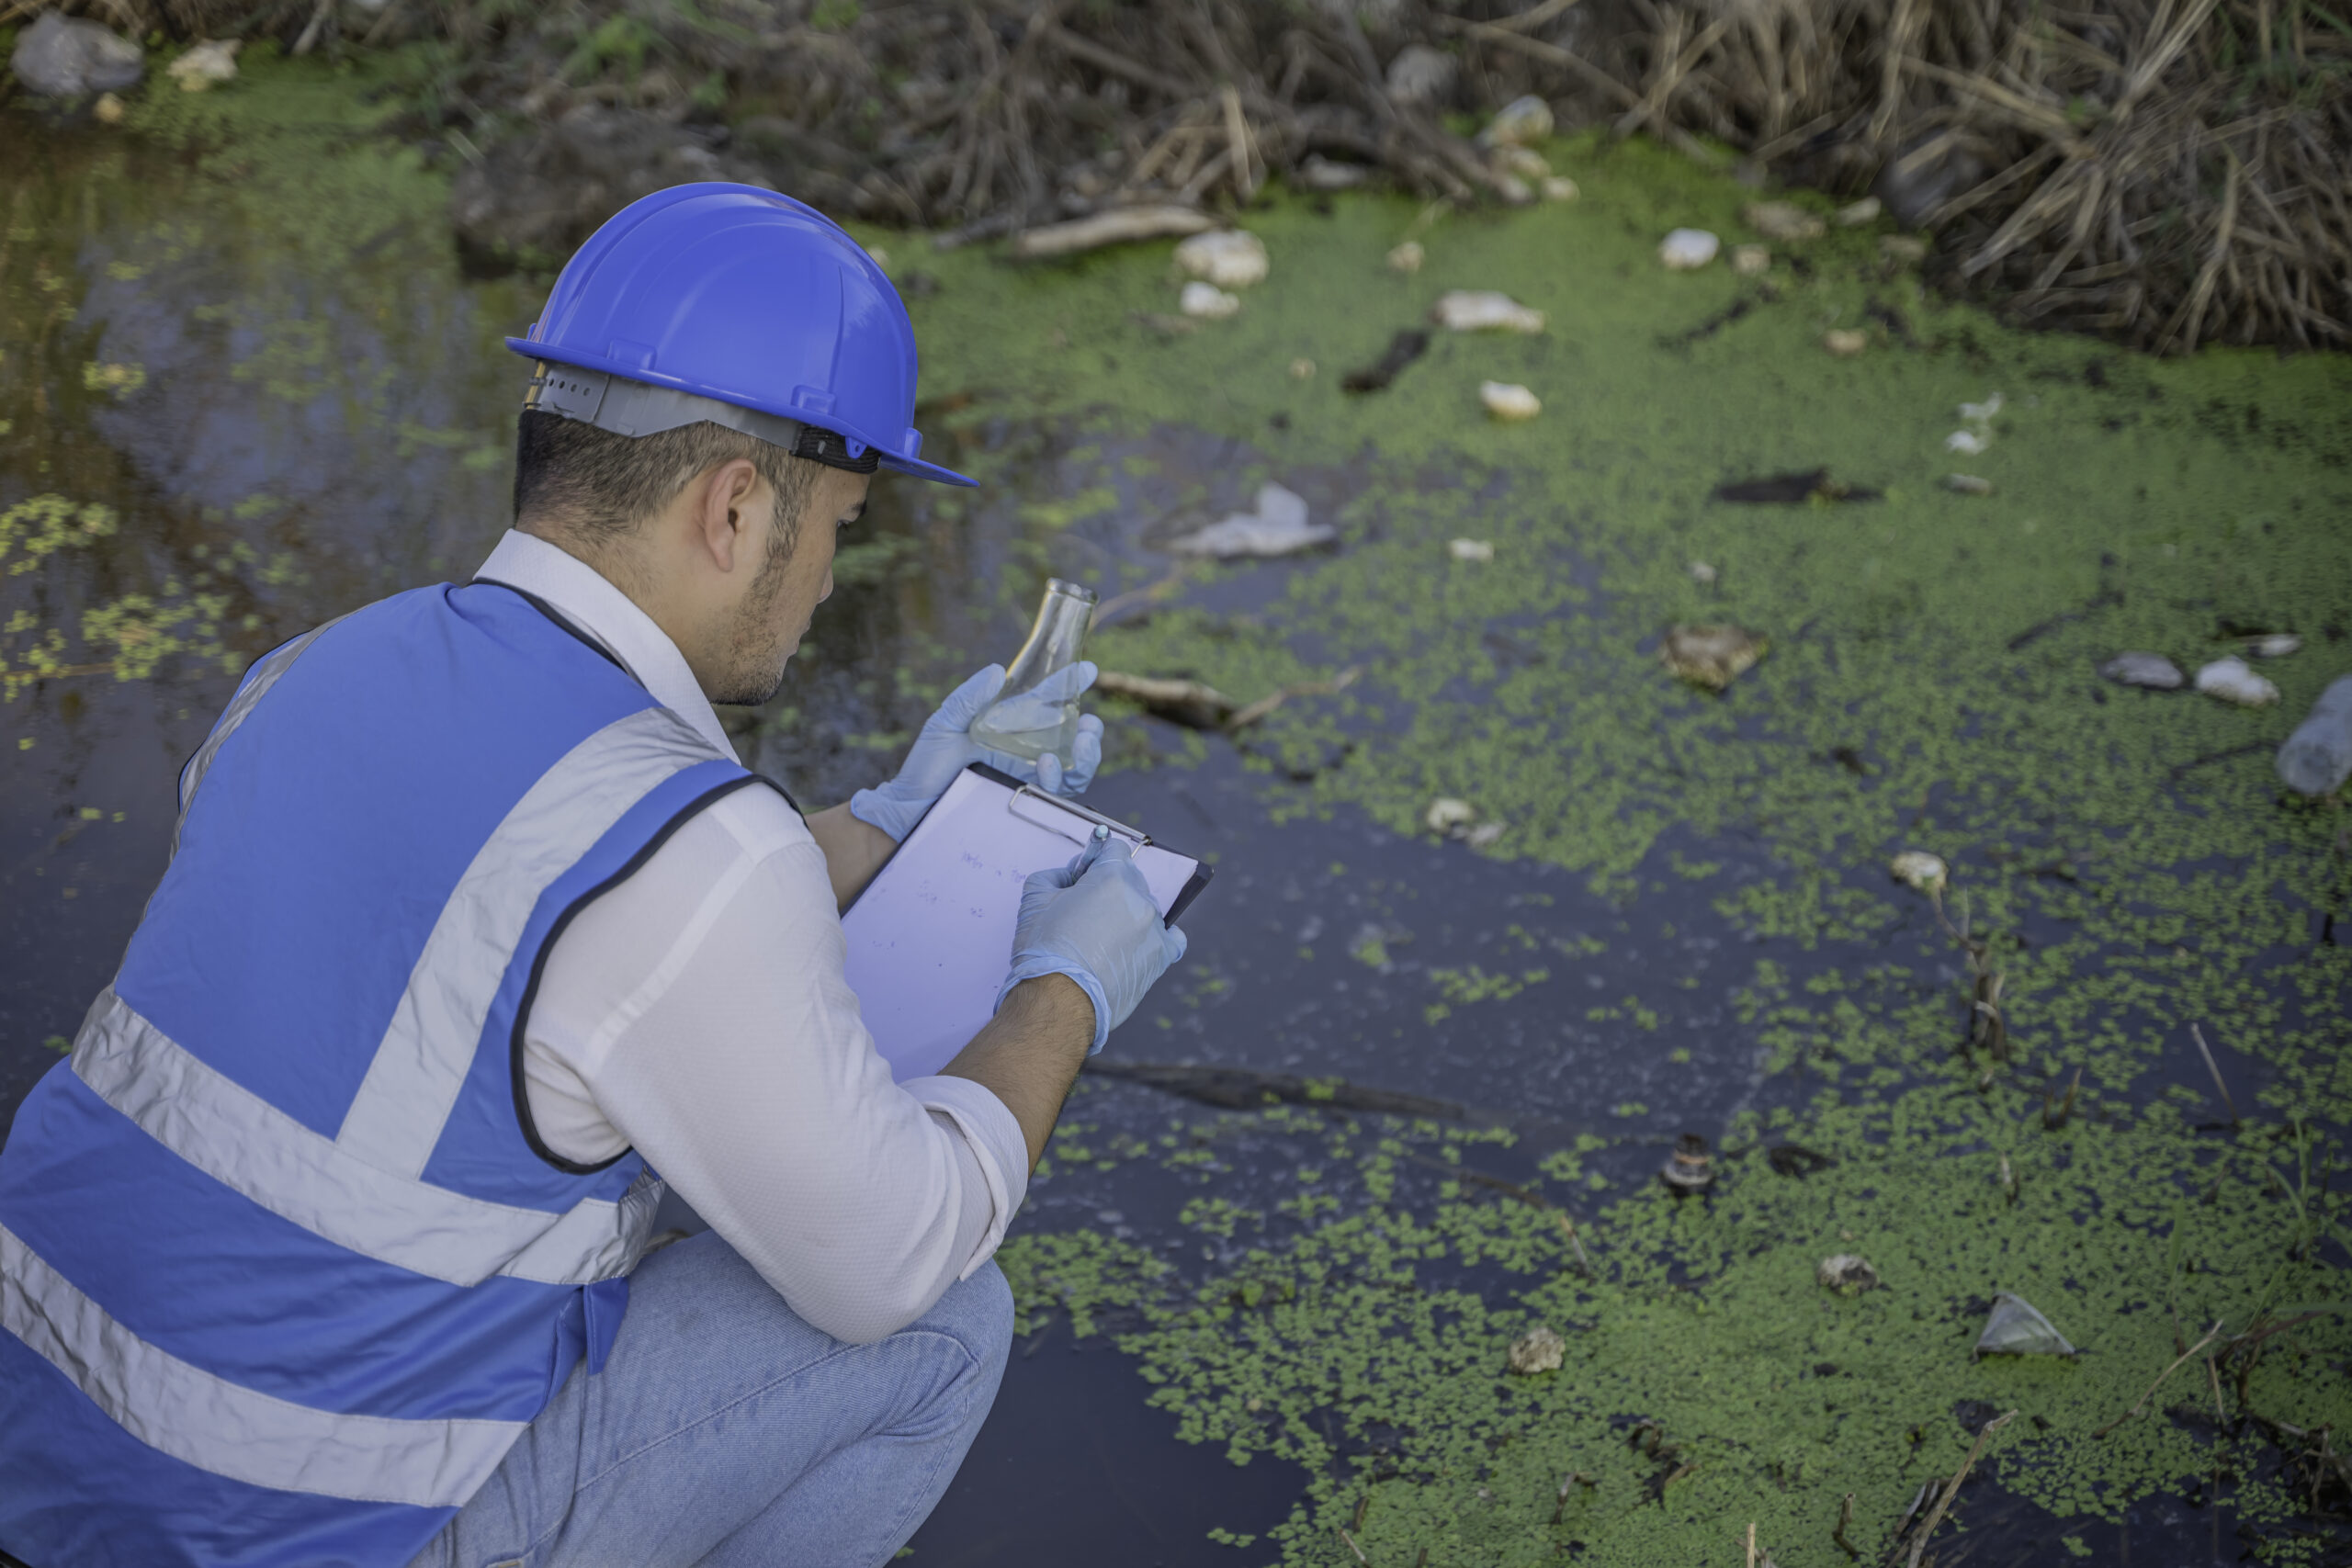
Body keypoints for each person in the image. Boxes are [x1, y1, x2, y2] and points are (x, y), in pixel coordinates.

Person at [0, 183, 1186, 1568]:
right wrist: (1063, 992)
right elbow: (891, 1257)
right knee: (942, 1324)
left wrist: (890, 822)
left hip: (48, 1468)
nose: (822, 586)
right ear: (738, 507)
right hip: (310, 1541)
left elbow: (510, 924)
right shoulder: (696, 841)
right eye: (842, 530)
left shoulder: (310, 674)